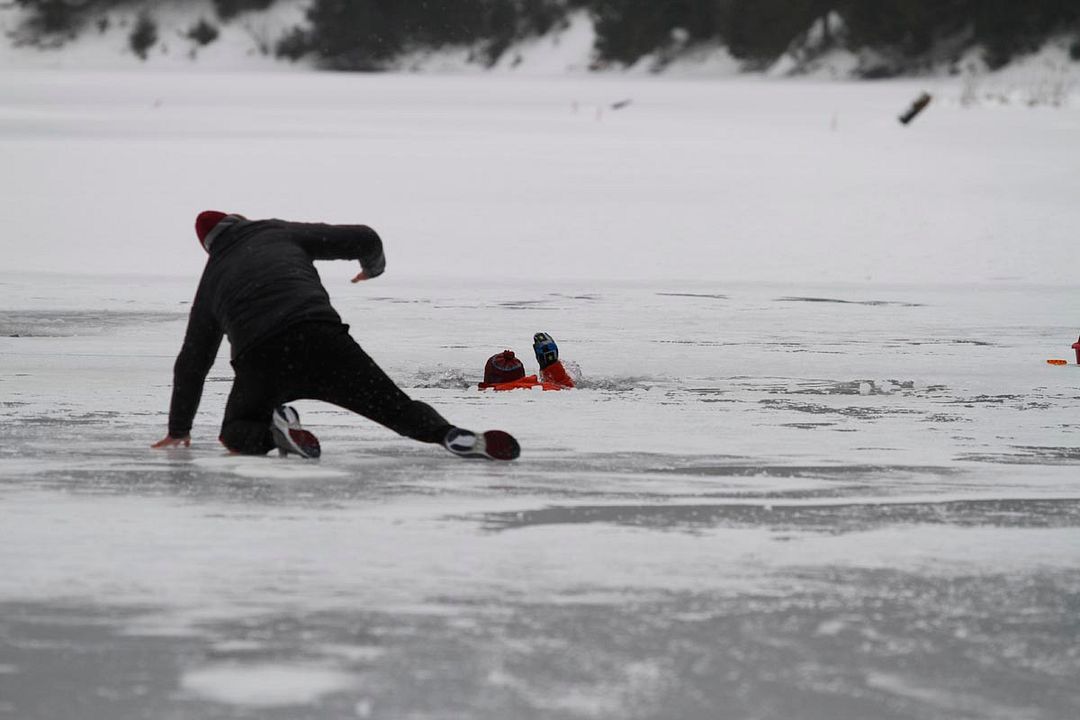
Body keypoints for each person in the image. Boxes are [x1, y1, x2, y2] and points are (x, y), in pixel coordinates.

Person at [152, 211, 519, 461]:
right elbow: (364, 237)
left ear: (209, 247)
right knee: (397, 408)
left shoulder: (213, 277)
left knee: (235, 432)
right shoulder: (279, 233)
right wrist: (372, 268)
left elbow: (193, 361)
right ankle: (449, 435)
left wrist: (179, 428)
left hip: (260, 358)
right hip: (321, 337)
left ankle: (276, 433)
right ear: (241, 220)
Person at [478, 333, 576, 391]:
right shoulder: (543, 387)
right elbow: (568, 388)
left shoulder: (496, 391)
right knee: (563, 386)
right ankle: (550, 367)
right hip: (551, 390)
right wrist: (551, 366)